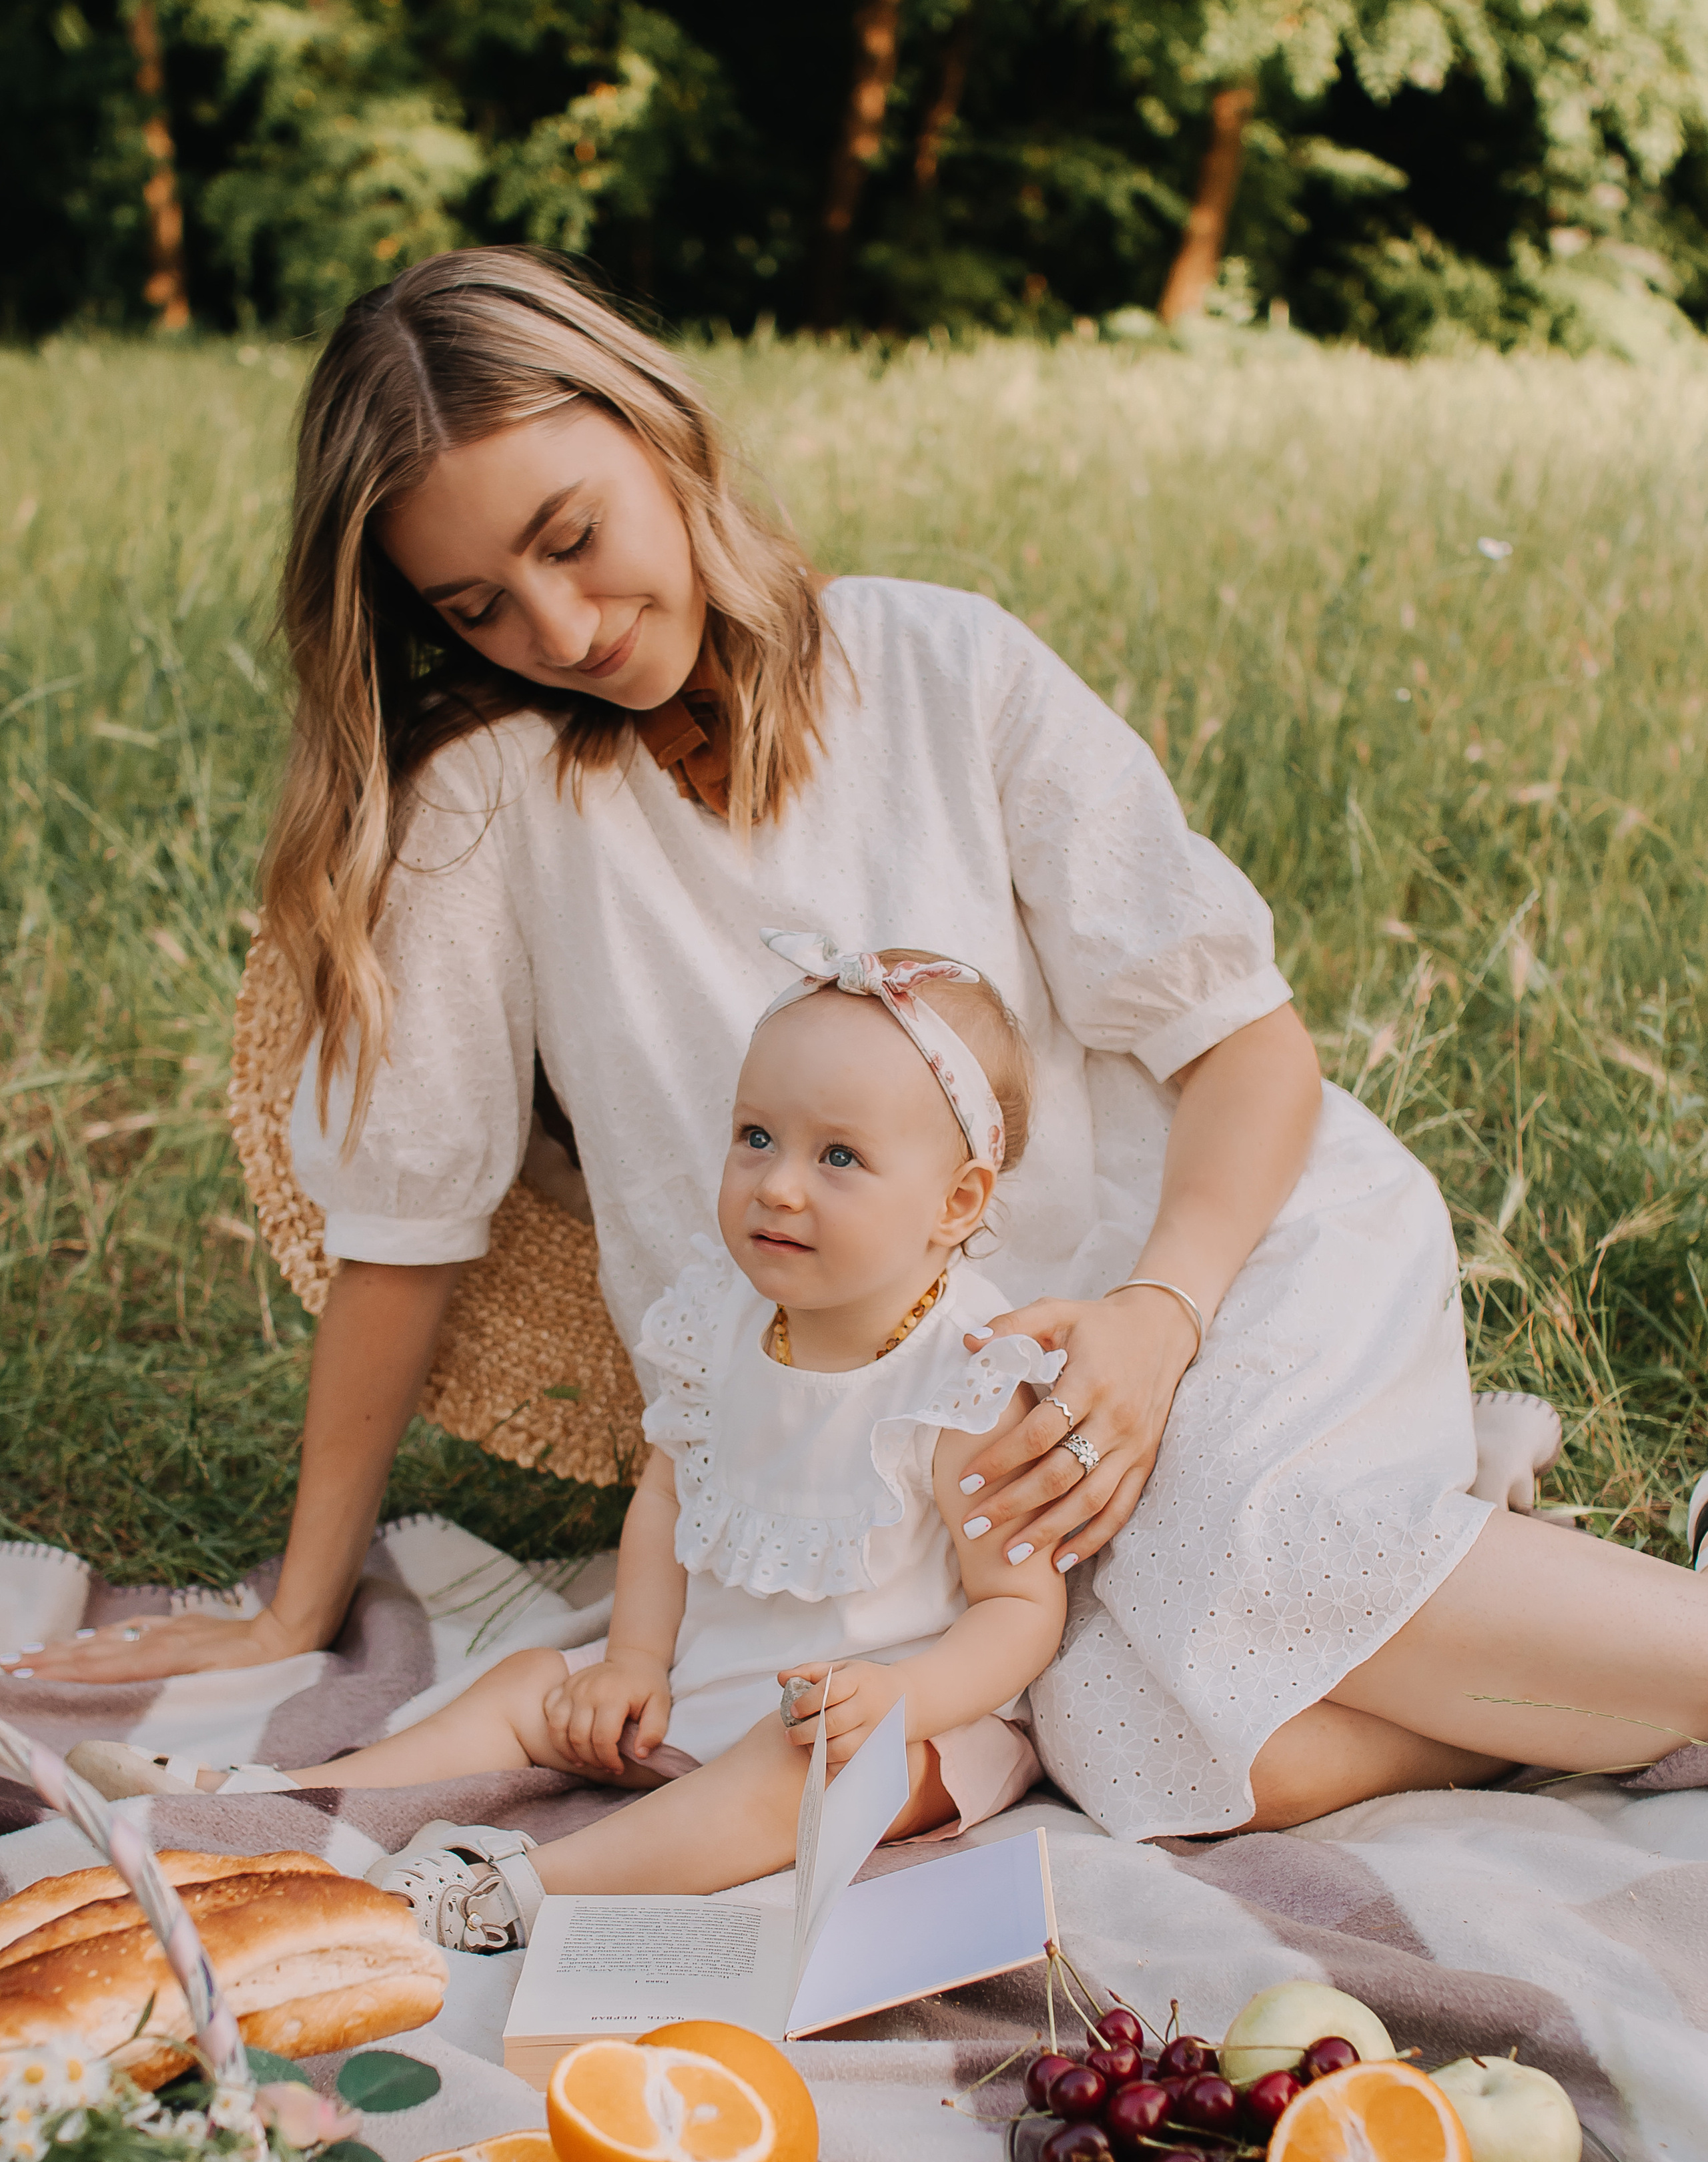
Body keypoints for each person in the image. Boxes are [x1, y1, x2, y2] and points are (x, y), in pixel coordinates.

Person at [17, 246, 1708, 1839]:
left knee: (1236, 1557)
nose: (557, 626)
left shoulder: (941, 665)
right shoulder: (490, 810)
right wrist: (296, 1609)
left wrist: (1151, 1324)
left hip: (1198, 1266)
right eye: (474, 606)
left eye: (571, 533)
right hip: (945, 1437)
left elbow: (1245, 1049)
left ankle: (1491, 1575)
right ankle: (1502, 1594)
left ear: (655, 427)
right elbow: (407, 1223)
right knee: (1159, 1752)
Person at [67, 947, 1069, 1947]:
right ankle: (288, 1794)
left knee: (800, 1774)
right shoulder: (721, 1325)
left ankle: (517, 1890)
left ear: (958, 1203)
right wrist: (633, 1660)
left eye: (838, 1157)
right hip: (709, 1681)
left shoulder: (964, 1381)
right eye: (756, 1137)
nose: (779, 1187)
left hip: (897, 1730)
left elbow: (1021, 1608)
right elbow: (666, 1499)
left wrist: (904, 1694)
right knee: (533, 1685)